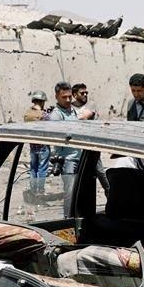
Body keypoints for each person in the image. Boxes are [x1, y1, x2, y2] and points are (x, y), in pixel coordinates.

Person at [46, 81, 94, 215]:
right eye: (64, 97)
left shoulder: (73, 111)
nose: (68, 100)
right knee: (69, 192)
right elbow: (58, 135)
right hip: (68, 160)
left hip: (80, 157)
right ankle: (67, 221)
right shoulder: (56, 115)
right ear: (56, 96)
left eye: (69, 97)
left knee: (82, 192)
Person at [23, 90, 50, 200]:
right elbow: (51, 126)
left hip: (32, 146)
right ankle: (40, 191)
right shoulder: (44, 115)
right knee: (42, 169)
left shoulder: (27, 113)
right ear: (42, 101)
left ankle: (33, 190)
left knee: (33, 169)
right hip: (43, 146)